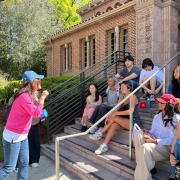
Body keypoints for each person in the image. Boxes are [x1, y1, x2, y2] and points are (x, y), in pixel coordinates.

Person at [0, 70, 49, 180]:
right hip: (13, 137)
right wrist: (43, 97)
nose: (40, 81)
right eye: (38, 79)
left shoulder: (29, 95)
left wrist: (40, 102)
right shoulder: (24, 97)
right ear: (32, 82)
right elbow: (36, 113)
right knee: (9, 167)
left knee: (24, 162)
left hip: (22, 136)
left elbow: (36, 111)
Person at [134, 94, 179, 180]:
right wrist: (147, 132)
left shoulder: (176, 119)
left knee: (145, 147)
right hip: (157, 145)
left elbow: (172, 140)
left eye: (162, 102)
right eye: (158, 101)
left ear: (169, 104)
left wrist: (154, 141)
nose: (159, 103)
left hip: (168, 148)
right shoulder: (157, 116)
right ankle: (144, 166)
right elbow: (154, 130)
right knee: (139, 133)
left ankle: (143, 172)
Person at [89, 80, 140, 155]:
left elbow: (130, 111)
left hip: (134, 121)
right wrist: (109, 115)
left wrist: (115, 114)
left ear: (128, 88)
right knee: (113, 124)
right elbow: (115, 109)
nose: (121, 89)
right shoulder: (122, 97)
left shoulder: (132, 96)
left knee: (115, 118)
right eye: (121, 87)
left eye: (123, 87)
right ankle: (104, 146)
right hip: (124, 120)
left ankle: (100, 133)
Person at [28, 91, 42, 168]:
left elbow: (40, 106)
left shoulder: (38, 94)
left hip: (33, 123)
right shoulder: (22, 94)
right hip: (23, 124)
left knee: (34, 141)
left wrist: (42, 116)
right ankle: (18, 162)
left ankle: (34, 160)